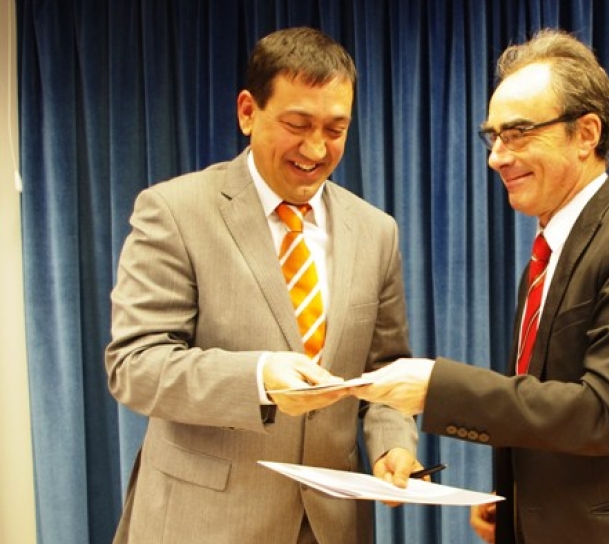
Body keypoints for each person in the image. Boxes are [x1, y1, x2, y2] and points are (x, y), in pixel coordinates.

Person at [355, 28, 609, 544]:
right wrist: (517, 506)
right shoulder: (545, 260)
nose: (497, 157)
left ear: (586, 133)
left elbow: (605, 414)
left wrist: (437, 386)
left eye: (518, 133)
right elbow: (549, 409)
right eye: (493, 137)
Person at [105, 27, 422, 544]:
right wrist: (257, 379)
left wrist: (393, 443)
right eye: (297, 125)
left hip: (331, 526)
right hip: (204, 524)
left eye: (336, 129)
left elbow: (384, 371)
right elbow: (135, 366)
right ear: (248, 112)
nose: (316, 148)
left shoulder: (376, 230)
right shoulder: (174, 211)